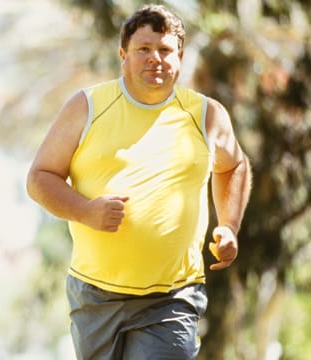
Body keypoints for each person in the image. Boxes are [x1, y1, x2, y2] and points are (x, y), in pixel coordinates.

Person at [26, 4, 252, 360]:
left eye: (164, 50)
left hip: (173, 297)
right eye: (143, 49)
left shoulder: (206, 115)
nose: (155, 59)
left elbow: (233, 166)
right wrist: (85, 211)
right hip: (95, 294)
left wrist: (230, 225)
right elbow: (39, 178)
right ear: (123, 55)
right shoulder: (86, 107)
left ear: (180, 56)